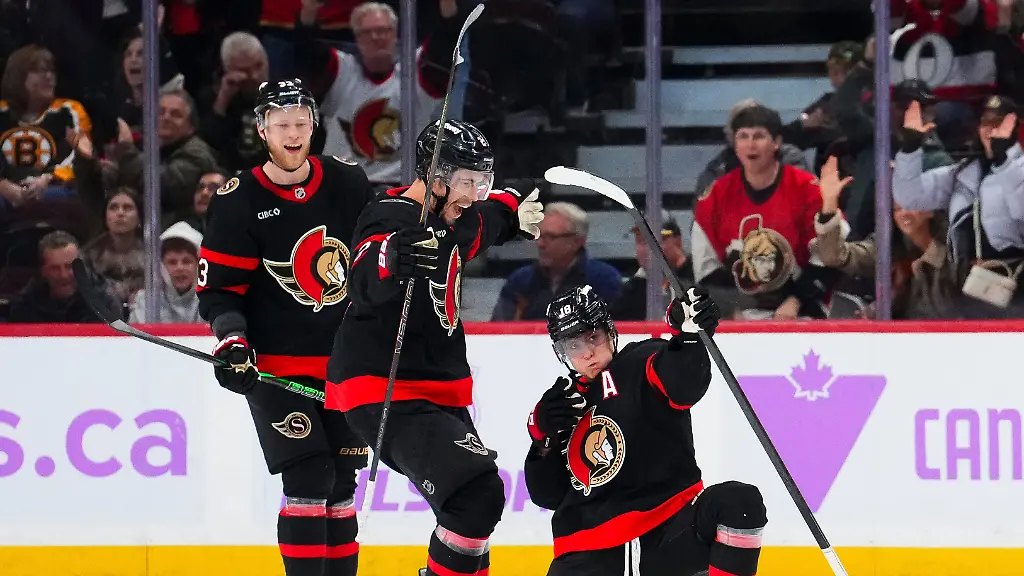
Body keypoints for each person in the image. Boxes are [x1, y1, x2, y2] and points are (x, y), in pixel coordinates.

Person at [325, 118, 545, 576]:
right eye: (467, 180)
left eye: (481, 180)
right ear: (434, 175)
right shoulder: (391, 216)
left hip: (436, 391)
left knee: (470, 510)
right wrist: (394, 258)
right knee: (476, 493)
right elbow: (364, 273)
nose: (474, 192)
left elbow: (490, 218)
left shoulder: (457, 216)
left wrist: (510, 204)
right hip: (384, 389)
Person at [196, 79, 375, 576]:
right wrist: (233, 340)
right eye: (282, 125)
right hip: (276, 371)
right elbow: (218, 291)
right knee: (309, 475)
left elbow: (375, 260)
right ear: (262, 130)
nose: (293, 133)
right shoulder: (237, 199)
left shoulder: (348, 183)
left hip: (345, 367)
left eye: (300, 123)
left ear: (314, 125)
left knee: (341, 485)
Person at [525, 285, 767, 576]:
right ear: (561, 352)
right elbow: (547, 496)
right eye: (573, 346)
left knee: (738, 503)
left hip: (666, 534)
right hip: (589, 555)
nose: (588, 353)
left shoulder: (641, 361)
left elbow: (683, 386)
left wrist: (687, 338)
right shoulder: (559, 405)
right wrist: (542, 440)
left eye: (593, 337)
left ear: (609, 331)